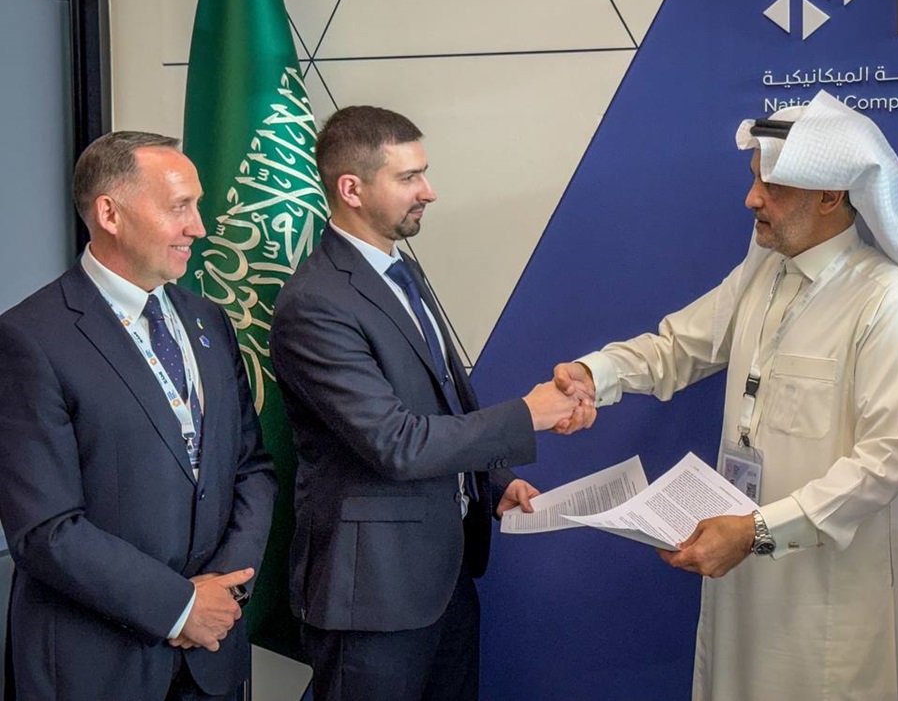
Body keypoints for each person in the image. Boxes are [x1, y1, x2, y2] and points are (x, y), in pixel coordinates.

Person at [554, 91, 898, 701]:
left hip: (826, 592)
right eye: (754, 180)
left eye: (772, 186)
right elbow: (677, 347)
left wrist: (756, 530)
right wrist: (593, 374)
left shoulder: (885, 299)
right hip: (740, 570)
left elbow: (884, 463)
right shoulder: (763, 273)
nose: (751, 199)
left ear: (830, 195)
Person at [271, 105, 586, 701]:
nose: (429, 191)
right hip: (374, 596)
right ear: (351, 190)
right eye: (409, 177)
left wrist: (491, 483)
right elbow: (395, 443)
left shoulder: (402, 272)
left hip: (445, 578)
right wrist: (530, 414)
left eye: (424, 172)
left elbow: (440, 404)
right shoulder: (314, 304)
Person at [0, 131, 277, 700]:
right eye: (180, 206)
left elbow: (250, 467)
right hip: (97, 665)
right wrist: (180, 607)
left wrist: (226, 593)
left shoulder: (209, 320)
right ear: (110, 213)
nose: (199, 227)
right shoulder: (30, 339)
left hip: (214, 654)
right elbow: (46, 530)